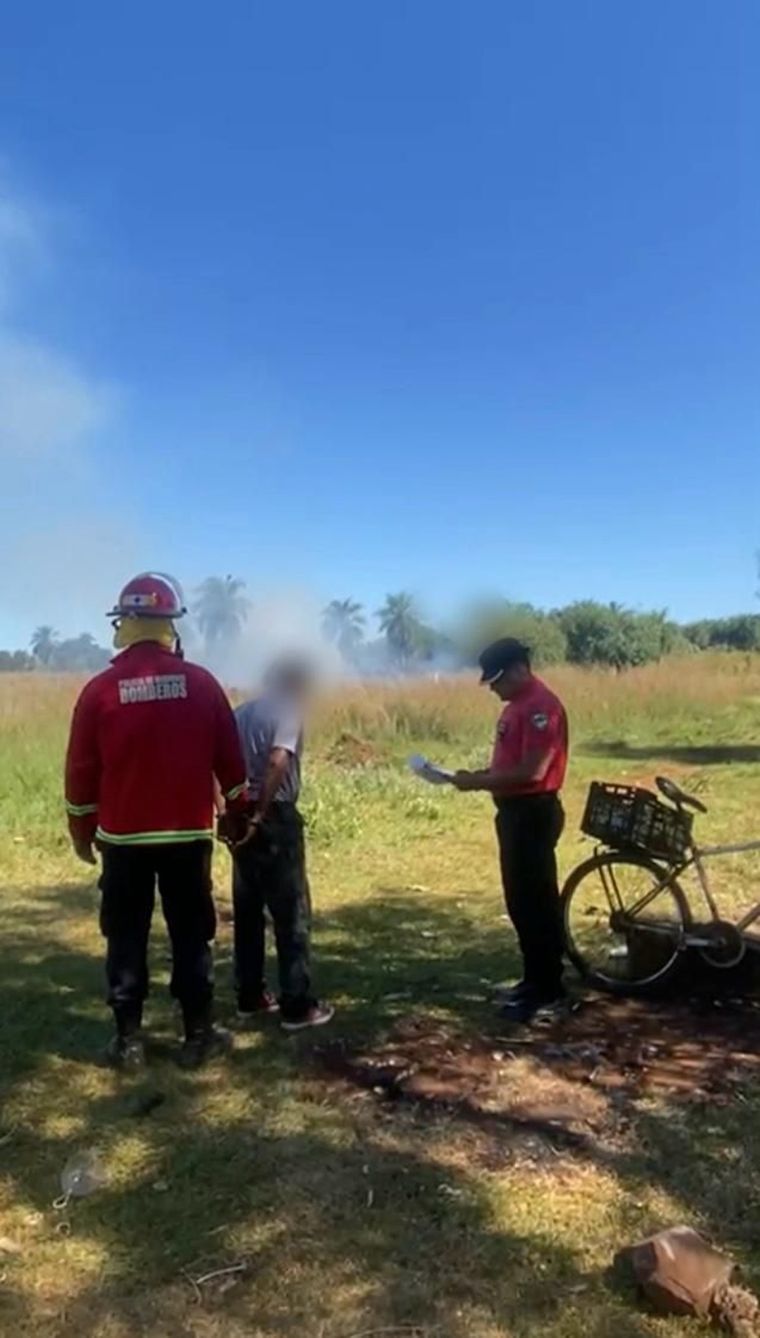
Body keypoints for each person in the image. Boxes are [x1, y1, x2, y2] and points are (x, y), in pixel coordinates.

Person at [64, 572, 249, 1069]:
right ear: (171, 625)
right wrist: (239, 818)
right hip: (187, 838)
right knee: (192, 934)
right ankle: (198, 1036)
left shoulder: (99, 692)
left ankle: (128, 1042)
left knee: (125, 936)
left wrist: (82, 834)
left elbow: (81, 777)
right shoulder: (203, 685)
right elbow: (232, 769)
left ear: (124, 624)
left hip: (123, 841)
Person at [452, 637, 569, 1022]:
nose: (494, 689)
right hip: (513, 813)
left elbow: (533, 771)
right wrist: (481, 776)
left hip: (533, 813)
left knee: (537, 901)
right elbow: (510, 764)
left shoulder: (541, 708)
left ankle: (550, 988)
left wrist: (479, 783)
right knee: (519, 901)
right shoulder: (517, 706)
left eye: (498, 680)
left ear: (520, 668)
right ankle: (532, 979)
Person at [229, 657, 333, 1031]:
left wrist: (233, 812)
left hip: (238, 816)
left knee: (248, 910)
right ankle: (297, 1004)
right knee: (291, 912)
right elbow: (278, 761)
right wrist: (262, 812)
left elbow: (217, 763)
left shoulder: (240, 714)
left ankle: (250, 995)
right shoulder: (288, 710)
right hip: (274, 816)